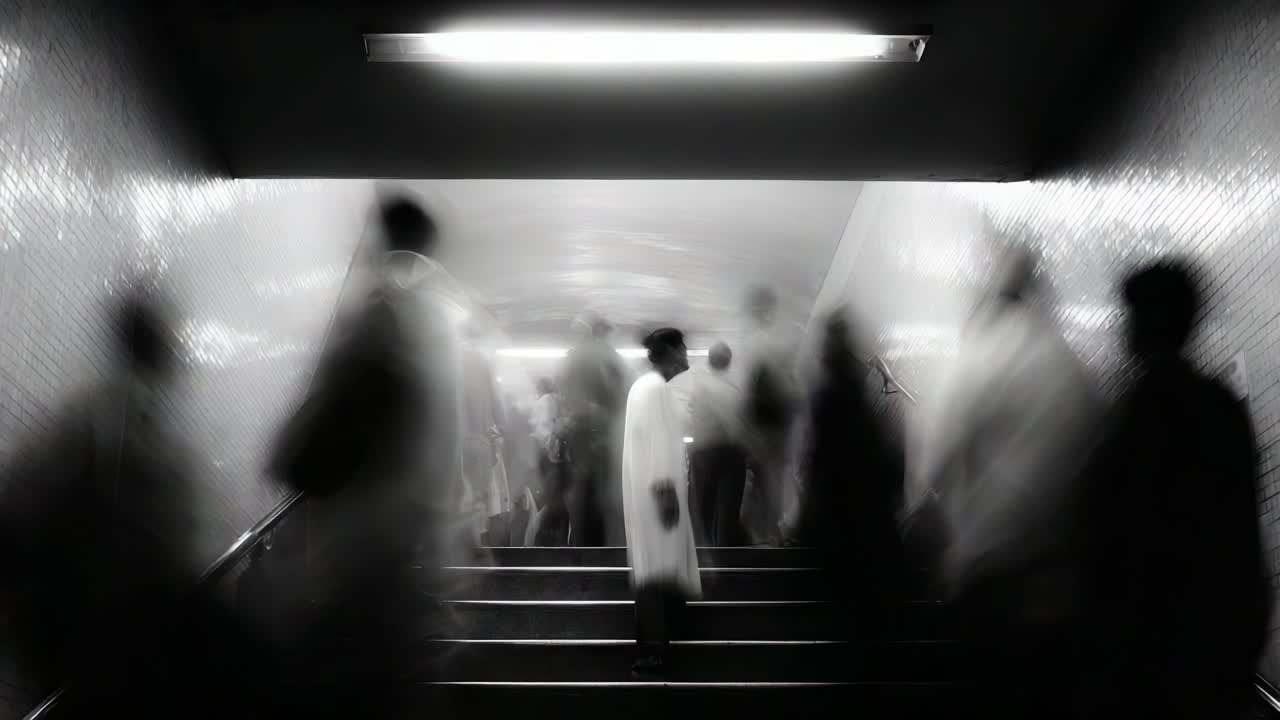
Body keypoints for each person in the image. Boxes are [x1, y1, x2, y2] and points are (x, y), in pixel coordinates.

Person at [266, 193, 462, 718]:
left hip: (360, 529)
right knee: (387, 666)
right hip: (404, 530)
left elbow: (332, 403)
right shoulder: (437, 318)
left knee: (356, 663)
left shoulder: (376, 309)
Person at [1076, 259, 1268, 720]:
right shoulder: (1221, 408)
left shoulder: (1138, 413)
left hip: (1152, 650)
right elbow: (1241, 530)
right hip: (1215, 643)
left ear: (1147, 322)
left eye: (1130, 314)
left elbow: (1112, 528)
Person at [916, 247, 1101, 720]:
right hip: (1061, 572)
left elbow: (938, 460)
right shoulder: (1072, 366)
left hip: (990, 568)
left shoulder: (976, 359)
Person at [797, 309, 904, 667]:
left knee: (849, 603)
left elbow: (817, 457)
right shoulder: (859, 390)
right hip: (866, 513)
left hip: (839, 514)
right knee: (869, 603)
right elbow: (880, 452)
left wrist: (809, 514)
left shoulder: (825, 391)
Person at [622, 328, 701, 676]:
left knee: (656, 570)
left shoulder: (643, 387)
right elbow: (658, 444)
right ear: (670, 351)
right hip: (658, 496)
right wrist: (666, 491)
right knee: (657, 571)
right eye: (682, 347)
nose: (686, 353)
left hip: (647, 494)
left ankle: (661, 643)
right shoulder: (656, 390)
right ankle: (652, 653)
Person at [737, 287, 801, 546]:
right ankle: (773, 533)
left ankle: (766, 534)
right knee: (773, 480)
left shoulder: (753, 343)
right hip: (772, 424)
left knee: (765, 480)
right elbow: (790, 387)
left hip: (763, 425)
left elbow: (747, 390)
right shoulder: (776, 341)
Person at [560, 314, 629, 545]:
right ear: (604, 332)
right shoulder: (607, 356)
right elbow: (619, 394)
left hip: (578, 433)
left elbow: (564, 393)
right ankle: (604, 548)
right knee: (604, 494)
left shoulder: (573, 357)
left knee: (582, 490)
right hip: (602, 432)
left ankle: (581, 546)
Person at [688, 341, 749, 546]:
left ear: (709, 361)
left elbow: (690, 419)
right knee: (728, 512)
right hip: (732, 452)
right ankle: (725, 553)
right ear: (729, 362)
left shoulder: (699, 388)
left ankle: (703, 553)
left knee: (702, 510)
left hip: (703, 452)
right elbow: (740, 424)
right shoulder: (735, 390)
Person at [460, 323, 511, 546]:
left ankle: (459, 551)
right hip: (479, 442)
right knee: (480, 501)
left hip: (454, 447)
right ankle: (478, 546)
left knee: (457, 502)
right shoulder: (482, 362)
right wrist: (501, 428)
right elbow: (496, 403)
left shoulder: (449, 360)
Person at [530, 378, 570, 545]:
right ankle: (556, 540)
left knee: (552, 500)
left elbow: (541, 428)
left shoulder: (544, 401)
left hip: (547, 454)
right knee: (557, 501)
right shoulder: (554, 400)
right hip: (554, 454)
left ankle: (544, 541)